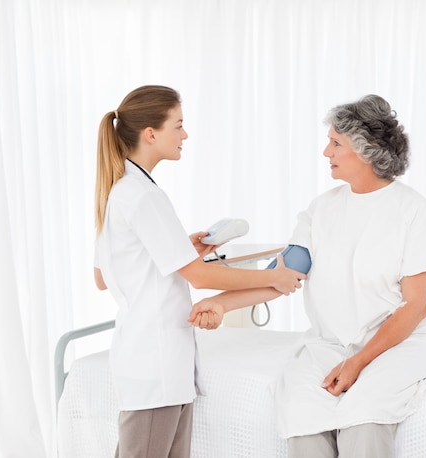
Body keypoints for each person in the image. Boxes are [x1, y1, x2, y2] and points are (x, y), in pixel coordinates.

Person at [188, 94, 426, 457]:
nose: (326, 152)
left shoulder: (413, 212)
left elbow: (417, 305)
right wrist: (218, 303)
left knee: (366, 413)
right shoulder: (323, 209)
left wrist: (358, 362)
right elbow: (281, 277)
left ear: (367, 150)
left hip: (400, 344)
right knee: (301, 411)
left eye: (336, 143)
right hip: (330, 345)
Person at [93, 85, 305, 458]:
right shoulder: (143, 196)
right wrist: (272, 278)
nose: (185, 135)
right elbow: (202, 277)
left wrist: (177, 251)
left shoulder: (123, 191)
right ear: (151, 134)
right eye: (178, 125)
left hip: (153, 362)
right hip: (154, 365)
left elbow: (103, 275)